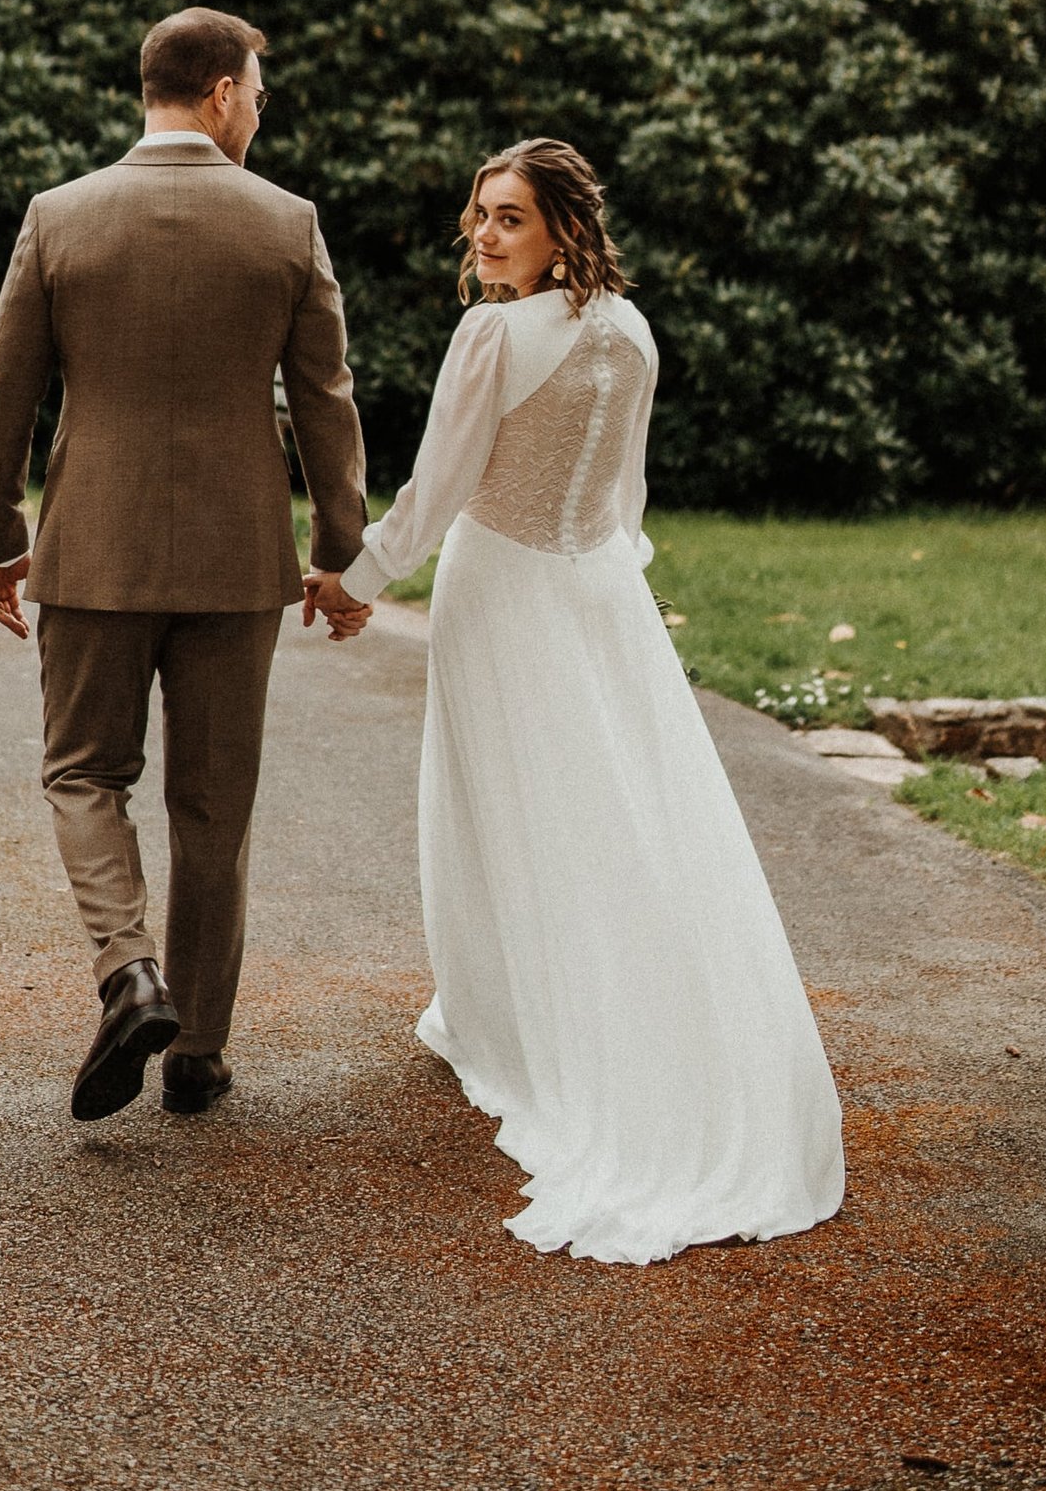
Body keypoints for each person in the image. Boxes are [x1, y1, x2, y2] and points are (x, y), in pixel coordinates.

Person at [308, 138, 844, 1263]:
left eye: (508, 218)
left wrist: (356, 582)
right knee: (616, 812)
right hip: (601, 593)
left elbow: (441, 484)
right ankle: (615, 1013)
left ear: (562, 228)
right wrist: (605, 571)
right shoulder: (632, 330)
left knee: (506, 810)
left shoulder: (493, 332)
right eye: (479, 216)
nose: (483, 236)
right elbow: (626, 489)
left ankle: (510, 1026)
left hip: (504, 590)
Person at [0, 9, 369, 1122]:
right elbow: (326, 404)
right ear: (220, 91)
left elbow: (5, 390)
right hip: (240, 561)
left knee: (84, 774)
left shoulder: (61, 217)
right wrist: (340, 556)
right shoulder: (288, 224)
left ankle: (126, 971)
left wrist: (1, 534)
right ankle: (195, 1053)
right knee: (213, 808)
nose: (260, 107)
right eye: (258, 88)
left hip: (92, 548)